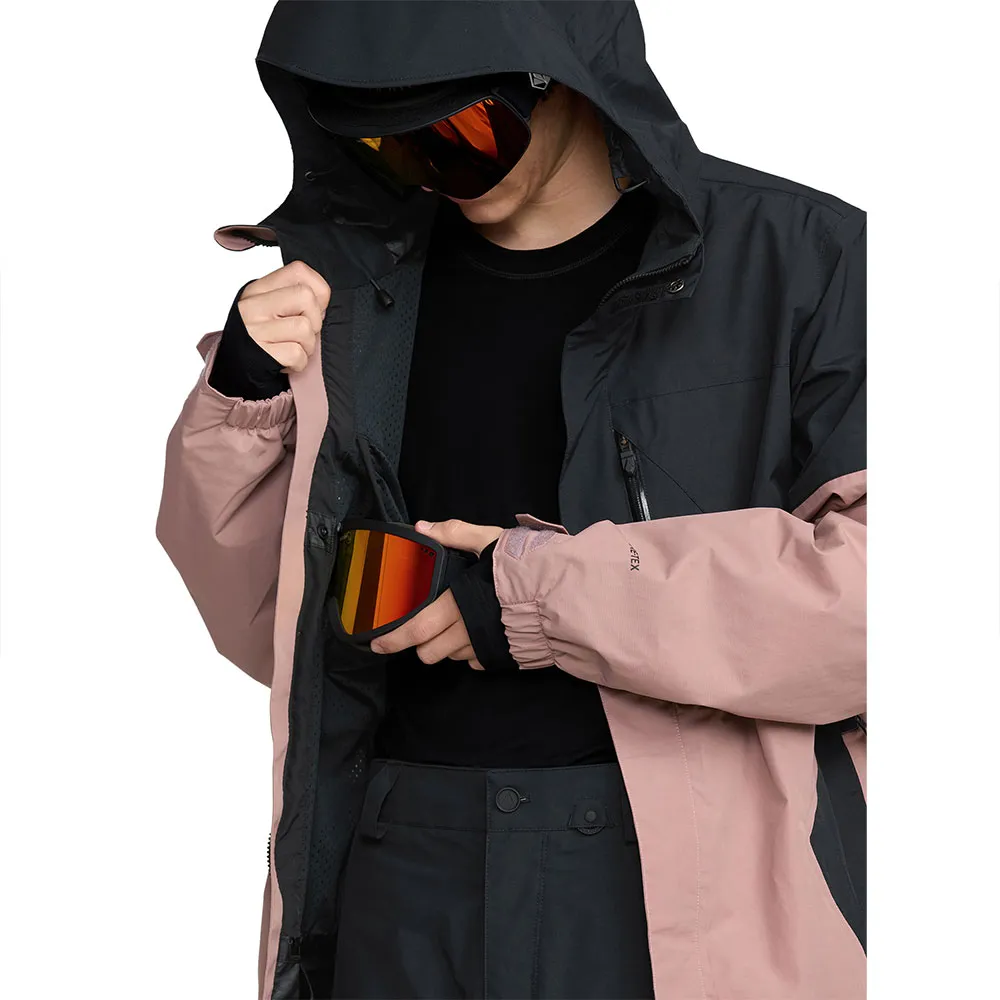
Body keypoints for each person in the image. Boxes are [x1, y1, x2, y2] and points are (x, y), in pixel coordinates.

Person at [156, 3, 866, 999]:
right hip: (400, 857)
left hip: (678, 874)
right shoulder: (352, 292)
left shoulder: (803, 259)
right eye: (389, 146)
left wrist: (529, 598)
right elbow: (272, 630)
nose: (429, 169)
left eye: (461, 132)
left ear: (564, 76)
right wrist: (244, 400)